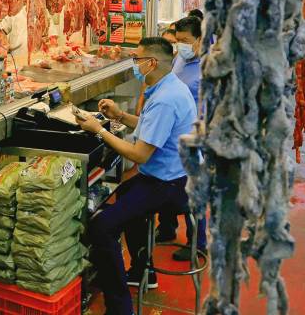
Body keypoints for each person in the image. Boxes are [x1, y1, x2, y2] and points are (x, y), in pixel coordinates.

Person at [76, 37, 196, 315]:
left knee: (101, 226)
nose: (134, 65)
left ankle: (120, 307)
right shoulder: (169, 86)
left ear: (151, 63)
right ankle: (143, 272)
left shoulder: (165, 100)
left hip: (170, 184)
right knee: (125, 195)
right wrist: (119, 115)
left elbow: (139, 154)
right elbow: (150, 126)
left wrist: (99, 130)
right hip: (174, 175)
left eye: (136, 59)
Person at [157, 16, 207, 262]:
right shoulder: (180, 59)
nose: (181, 45)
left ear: (199, 39)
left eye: (186, 40)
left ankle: (198, 242)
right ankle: (167, 227)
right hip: (173, 131)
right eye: (179, 40)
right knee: (167, 179)